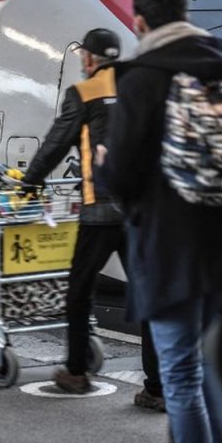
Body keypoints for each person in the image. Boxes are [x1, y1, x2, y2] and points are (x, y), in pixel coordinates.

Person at [101, 0, 222, 443]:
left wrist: (107, 162)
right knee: (217, 362)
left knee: (180, 375)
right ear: (186, 14)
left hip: (174, 249)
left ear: (139, 22)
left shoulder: (142, 77)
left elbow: (125, 176)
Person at [21, 28, 165, 408]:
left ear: (90, 58)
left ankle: (75, 372)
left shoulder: (83, 93)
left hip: (100, 210)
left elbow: (56, 143)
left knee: (79, 291)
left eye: (84, 55)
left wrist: (30, 183)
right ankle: (157, 388)